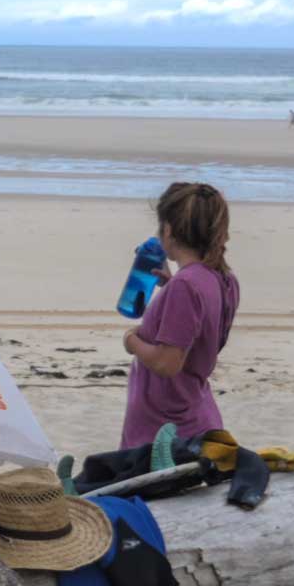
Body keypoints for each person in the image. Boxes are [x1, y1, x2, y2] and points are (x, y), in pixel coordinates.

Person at [119, 182, 237, 448]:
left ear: (169, 230)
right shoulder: (223, 279)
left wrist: (131, 341)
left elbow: (167, 363)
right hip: (196, 418)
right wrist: (170, 286)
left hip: (165, 435)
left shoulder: (186, 286)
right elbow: (200, 330)